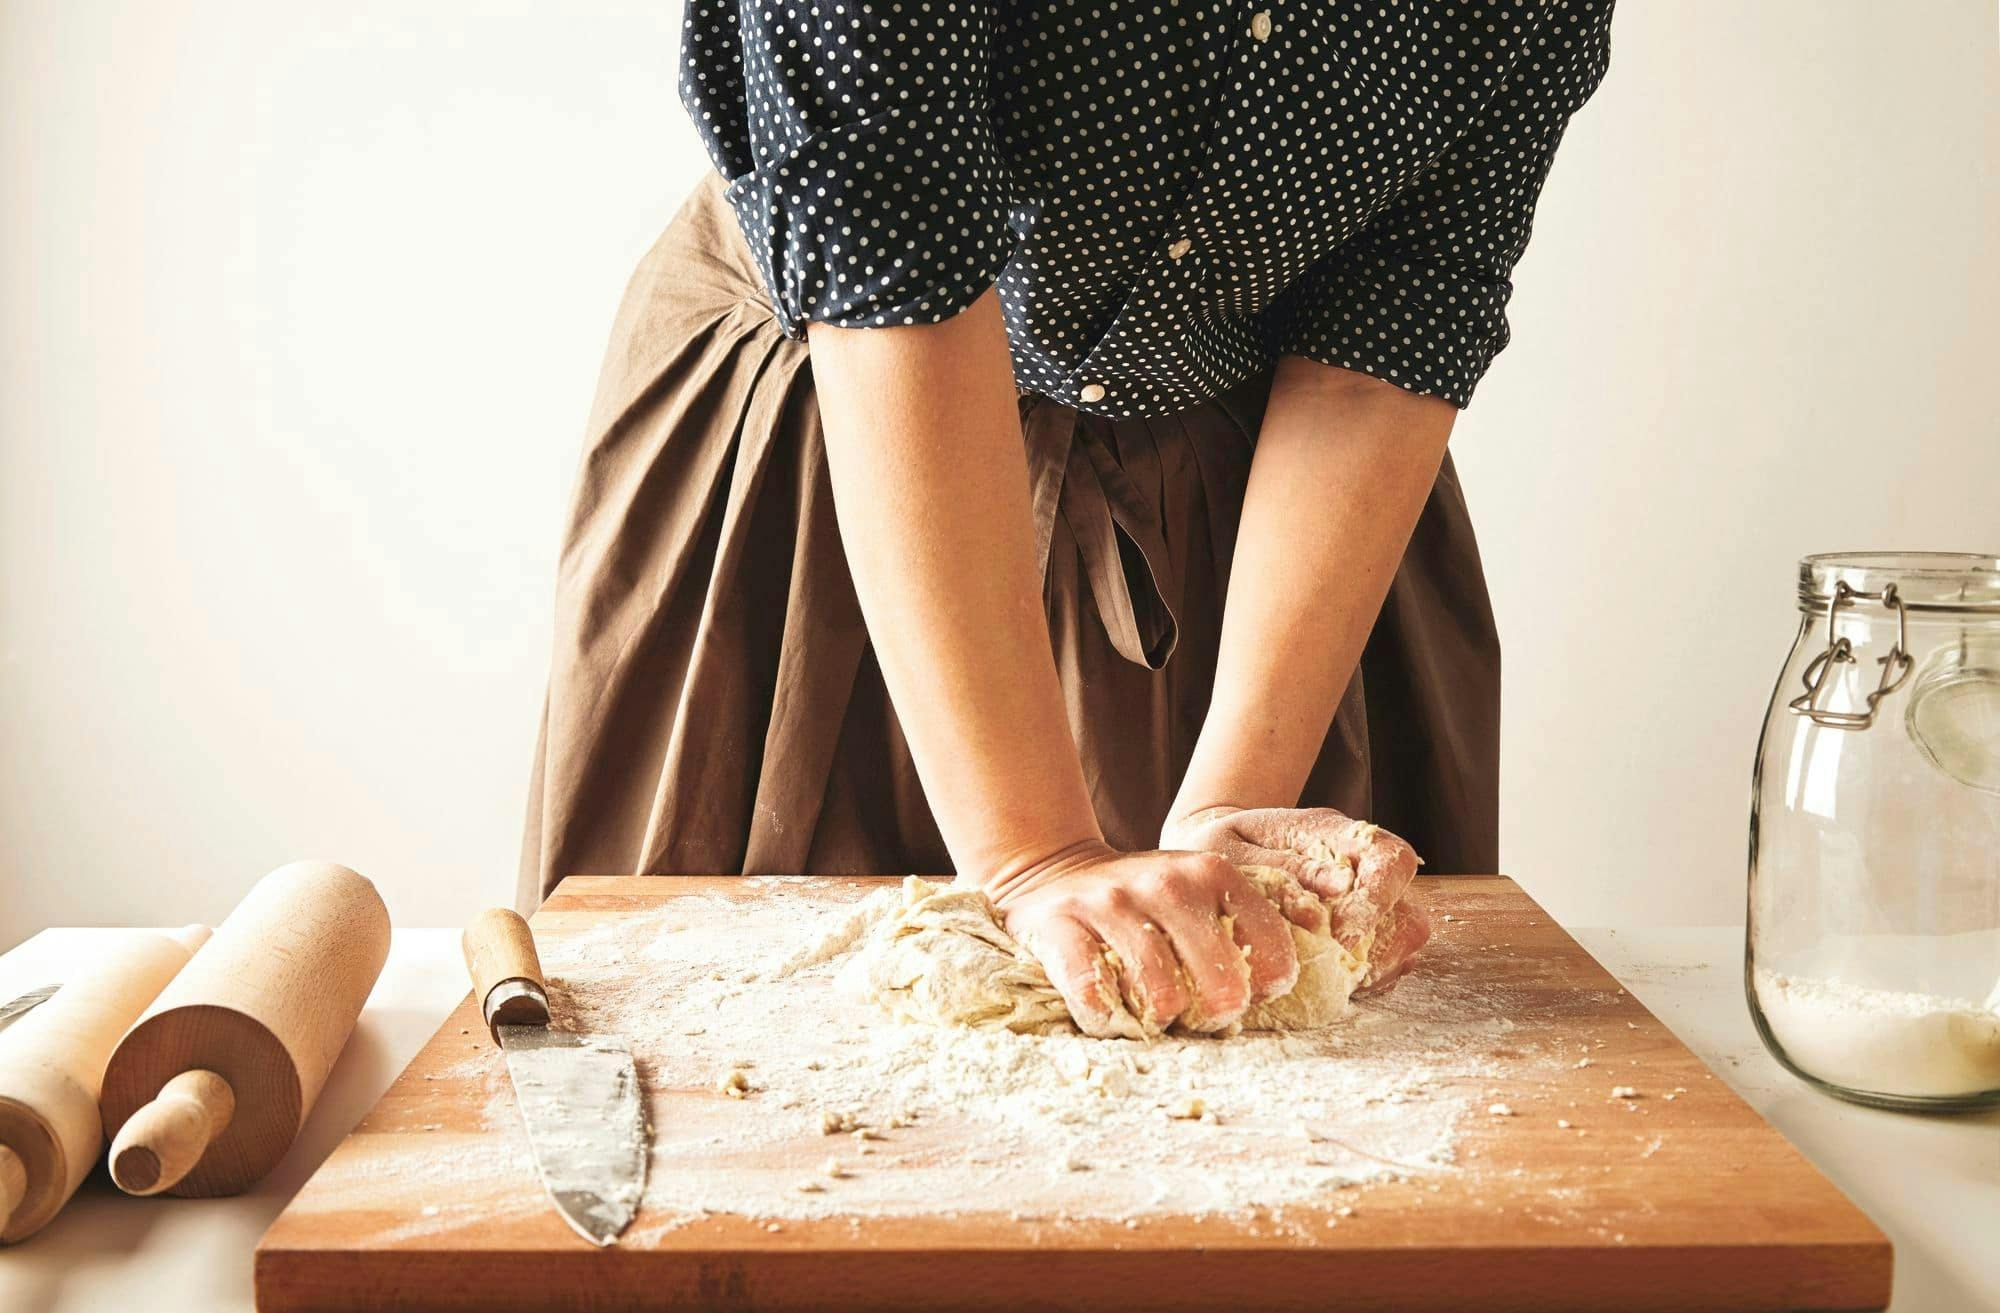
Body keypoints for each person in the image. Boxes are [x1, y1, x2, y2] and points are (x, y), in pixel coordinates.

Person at [518, 1, 1615, 1036]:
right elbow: (889, 251)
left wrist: (1234, 795)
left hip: (1262, 485)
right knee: (711, 1043)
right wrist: (1034, 853)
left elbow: (1386, 334)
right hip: (837, 413)